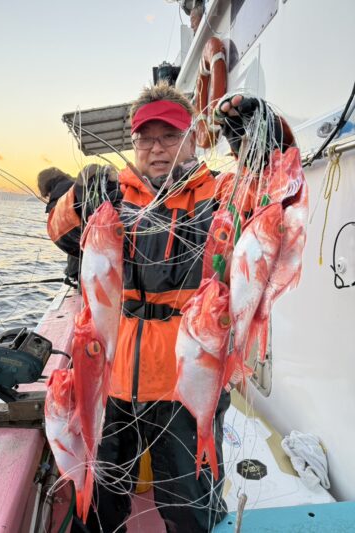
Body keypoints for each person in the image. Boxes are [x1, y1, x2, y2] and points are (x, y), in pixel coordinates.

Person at [47, 82, 294, 532]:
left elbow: (274, 199)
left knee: (189, 509)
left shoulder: (221, 193)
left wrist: (264, 141)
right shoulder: (113, 197)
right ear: (134, 142)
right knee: (100, 502)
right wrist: (77, 197)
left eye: (170, 136)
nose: (157, 148)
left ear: (193, 138)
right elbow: (60, 232)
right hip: (112, 378)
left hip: (186, 380)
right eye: (146, 138)